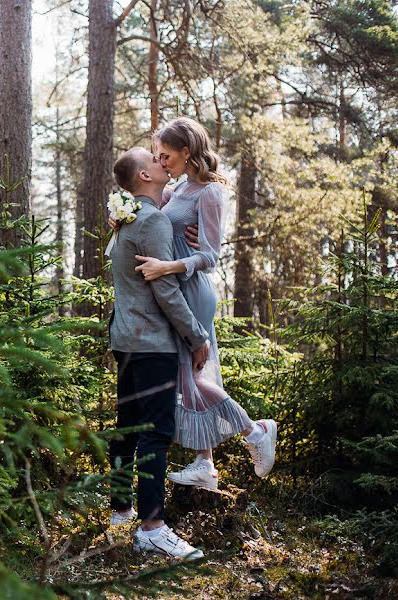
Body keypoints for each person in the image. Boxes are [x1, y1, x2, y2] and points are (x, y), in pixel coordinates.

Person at [130, 117, 277, 490]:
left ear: (187, 151)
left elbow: (211, 254)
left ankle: (255, 430)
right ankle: (205, 464)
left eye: (166, 155)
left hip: (192, 288)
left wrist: (170, 264)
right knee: (190, 374)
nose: (161, 162)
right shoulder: (177, 189)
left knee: (193, 374)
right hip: (174, 287)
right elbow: (154, 218)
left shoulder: (210, 192)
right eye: (158, 156)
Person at [107, 145, 209, 560]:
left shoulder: (125, 220)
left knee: (127, 426)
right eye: (153, 159)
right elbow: (165, 289)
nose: (160, 161)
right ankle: (152, 527)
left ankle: (120, 509)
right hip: (151, 343)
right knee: (155, 432)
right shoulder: (151, 221)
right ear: (145, 177)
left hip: (125, 338)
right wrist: (196, 336)